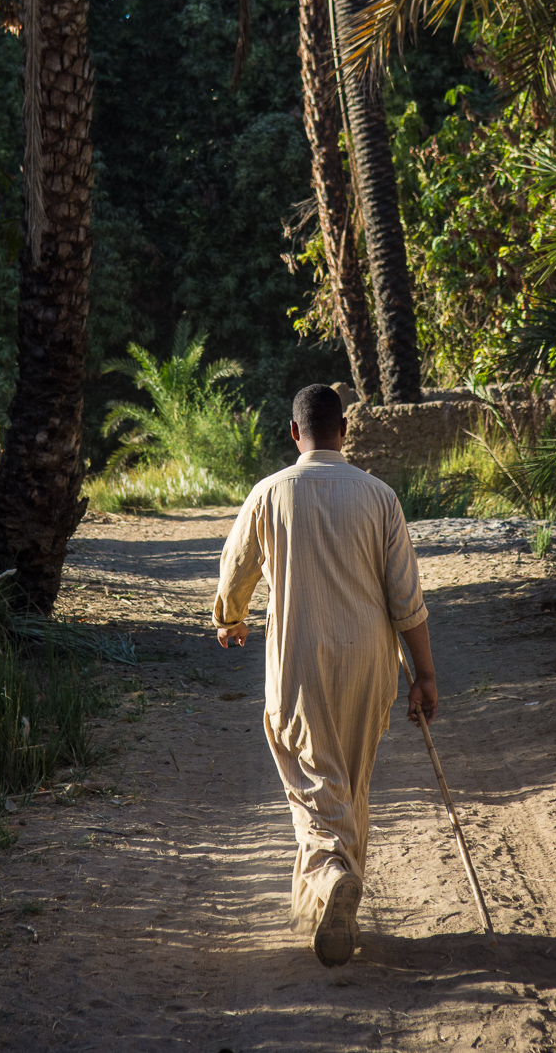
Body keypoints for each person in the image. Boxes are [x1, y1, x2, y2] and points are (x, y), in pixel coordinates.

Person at [213, 382, 438, 967]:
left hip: (299, 664)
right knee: (350, 783)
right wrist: (425, 674)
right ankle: (332, 917)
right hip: (370, 664)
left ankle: (332, 875)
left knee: (312, 783)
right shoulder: (381, 497)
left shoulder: (269, 493)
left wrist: (230, 619)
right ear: (344, 430)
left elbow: (235, 569)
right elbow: (406, 599)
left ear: (294, 432)